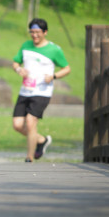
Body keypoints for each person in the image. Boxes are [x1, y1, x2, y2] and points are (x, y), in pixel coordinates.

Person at [12, 18, 70, 162]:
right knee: (17, 125)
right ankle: (41, 140)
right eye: (32, 32)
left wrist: (54, 76)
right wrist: (19, 69)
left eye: (38, 32)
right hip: (25, 90)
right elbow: (15, 62)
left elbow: (67, 68)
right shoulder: (26, 46)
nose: (34, 35)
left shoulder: (54, 49)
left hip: (42, 92)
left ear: (45, 32)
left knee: (31, 122)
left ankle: (29, 157)